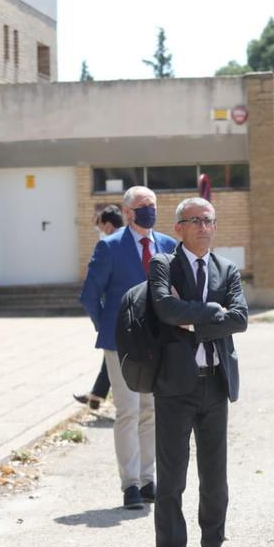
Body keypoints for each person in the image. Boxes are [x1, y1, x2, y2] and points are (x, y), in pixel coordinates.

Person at [146, 197, 248, 547]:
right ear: (179, 229)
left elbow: (239, 319)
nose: (205, 227)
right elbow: (165, 308)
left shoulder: (226, 269)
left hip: (215, 383)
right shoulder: (163, 264)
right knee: (172, 480)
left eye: (210, 220)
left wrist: (195, 321)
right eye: (196, 221)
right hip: (174, 386)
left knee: (215, 477)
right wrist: (211, 312)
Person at [78, 186, 175, 509]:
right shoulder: (109, 247)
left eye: (153, 204)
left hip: (156, 342)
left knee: (151, 410)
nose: (150, 210)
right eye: (143, 206)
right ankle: (130, 484)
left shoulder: (167, 246)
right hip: (120, 344)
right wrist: (107, 328)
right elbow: (90, 295)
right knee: (128, 410)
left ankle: (148, 480)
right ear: (128, 211)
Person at [74, 205, 125, 410]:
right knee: (112, 356)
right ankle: (96, 394)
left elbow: (90, 294)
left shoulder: (108, 246)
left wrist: (100, 322)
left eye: (101, 226)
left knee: (113, 355)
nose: (101, 231)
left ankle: (97, 395)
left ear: (109, 225)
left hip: (116, 317)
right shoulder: (136, 243)